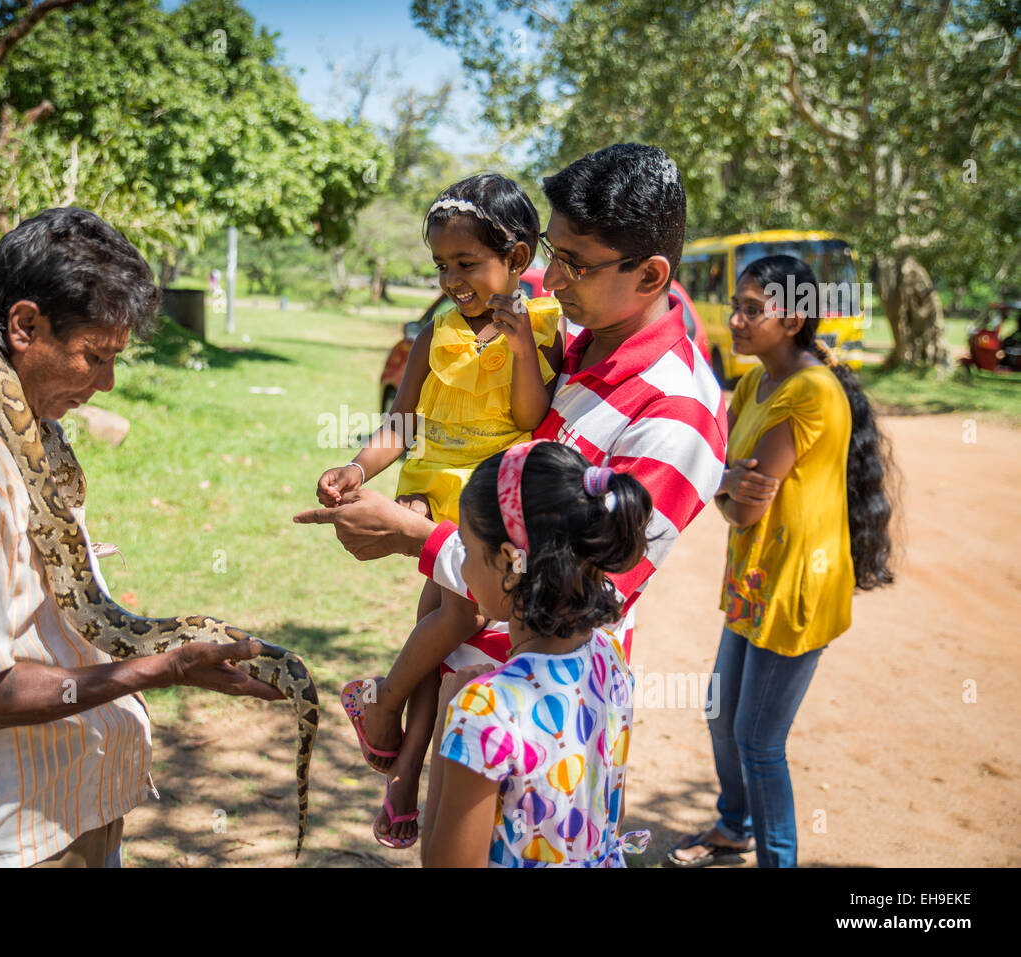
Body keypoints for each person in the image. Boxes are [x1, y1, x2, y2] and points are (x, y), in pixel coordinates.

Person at [294, 143, 729, 853]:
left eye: (572, 263)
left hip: (541, 712)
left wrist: (418, 539)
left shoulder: (675, 419)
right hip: (484, 685)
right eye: (549, 255)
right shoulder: (583, 332)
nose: (549, 279)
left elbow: (589, 586)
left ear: (650, 274)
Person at [0, 207, 282, 868]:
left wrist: (174, 649)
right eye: (95, 356)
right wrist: (158, 669)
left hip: (59, 814)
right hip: (3, 839)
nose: (106, 382)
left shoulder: (12, 427)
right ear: (25, 325)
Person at [317, 174, 563, 848]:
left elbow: (530, 417)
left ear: (516, 259)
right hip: (437, 500)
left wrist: (518, 348)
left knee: (448, 627)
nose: (453, 279)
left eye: (467, 263)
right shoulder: (435, 333)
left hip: (495, 507)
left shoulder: (545, 328)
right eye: (442, 265)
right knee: (452, 624)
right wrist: (356, 468)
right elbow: (401, 424)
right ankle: (390, 740)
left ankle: (387, 725)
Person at [666, 255, 895, 868]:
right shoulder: (751, 385)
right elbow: (722, 480)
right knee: (721, 716)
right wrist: (725, 480)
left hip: (796, 585)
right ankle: (732, 826)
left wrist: (722, 483)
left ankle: (778, 860)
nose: (734, 320)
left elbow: (739, 508)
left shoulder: (811, 392)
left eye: (750, 308)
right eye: (735, 306)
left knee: (758, 740)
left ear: (792, 319)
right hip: (752, 579)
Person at [418, 440, 655, 867]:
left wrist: (445, 721)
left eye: (468, 551)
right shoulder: (609, 655)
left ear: (511, 563)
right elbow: (608, 810)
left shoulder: (483, 710)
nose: (465, 569)